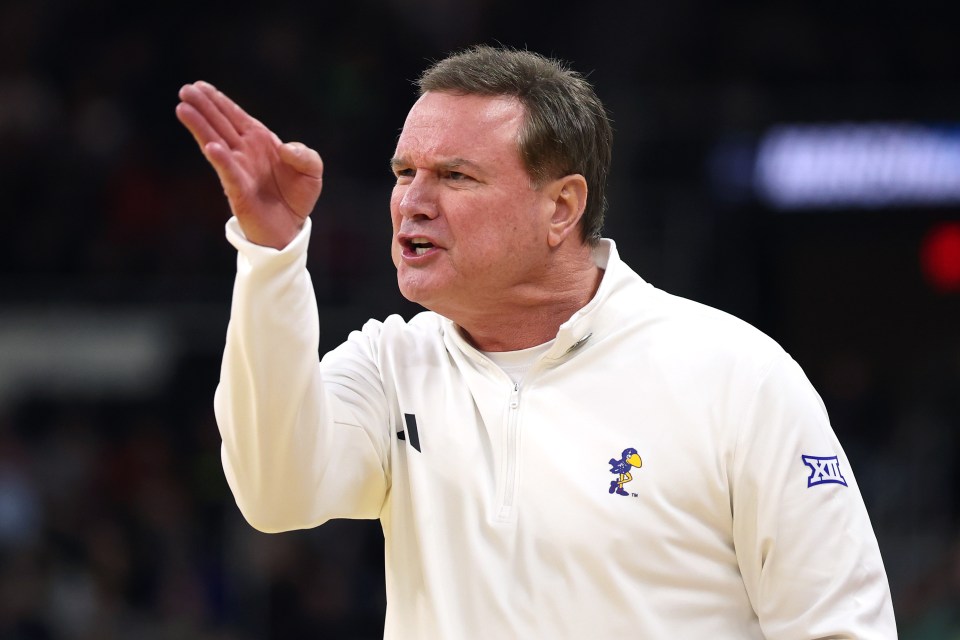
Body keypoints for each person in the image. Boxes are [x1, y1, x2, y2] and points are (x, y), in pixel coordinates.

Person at [176, 45, 897, 638]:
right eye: (405, 173)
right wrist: (271, 256)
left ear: (561, 207)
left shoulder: (735, 375)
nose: (413, 200)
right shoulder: (391, 365)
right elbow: (275, 492)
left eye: (455, 175)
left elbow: (839, 626)